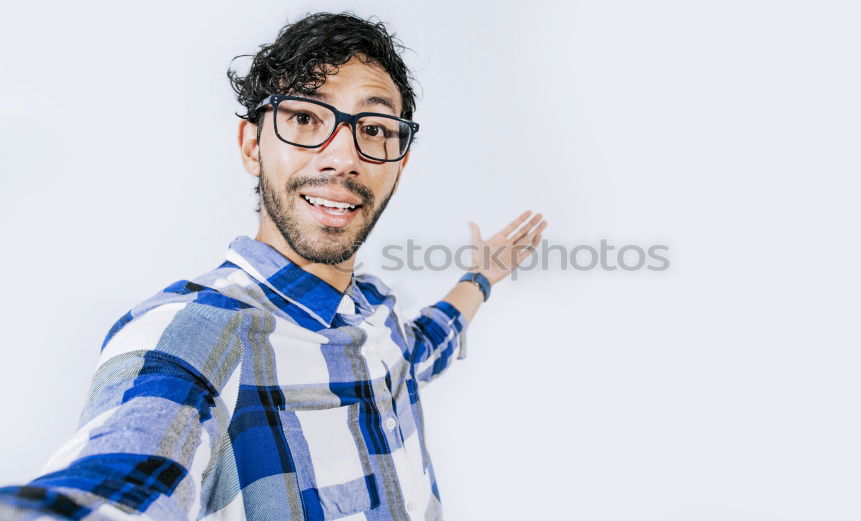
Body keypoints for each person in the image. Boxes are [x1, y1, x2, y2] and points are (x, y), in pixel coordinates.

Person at [0, 12, 545, 521]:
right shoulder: (199, 337)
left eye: (375, 128)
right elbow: (111, 485)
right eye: (306, 117)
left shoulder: (372, 310)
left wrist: (483, 275)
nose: (343, 156)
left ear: (400, 165)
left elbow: (422, 348)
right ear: (251, 144)